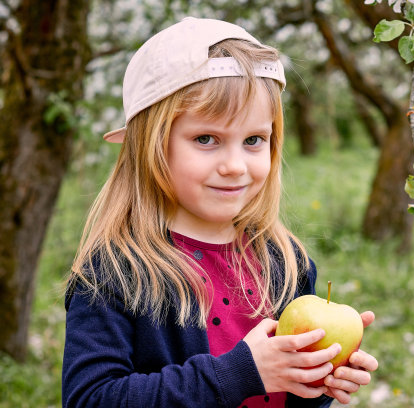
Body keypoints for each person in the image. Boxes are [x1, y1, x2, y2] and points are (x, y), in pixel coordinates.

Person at [62, 17, 378, 408]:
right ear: (151, 146)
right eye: (207, 139)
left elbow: (285, 396)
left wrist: (317, 382)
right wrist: (242, 373)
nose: (234, 165)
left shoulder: (286, 264)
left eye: (253, 140)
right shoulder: (115, 274)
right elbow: (92, 399)